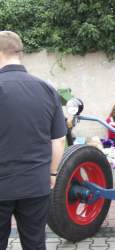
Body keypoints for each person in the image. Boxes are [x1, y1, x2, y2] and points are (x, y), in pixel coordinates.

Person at [0, 31, 67, 250]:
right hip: (36, 184)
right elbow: (58, 139)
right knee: (35, 243)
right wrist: (53, 173)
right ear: (19, 53)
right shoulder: (47, 89)